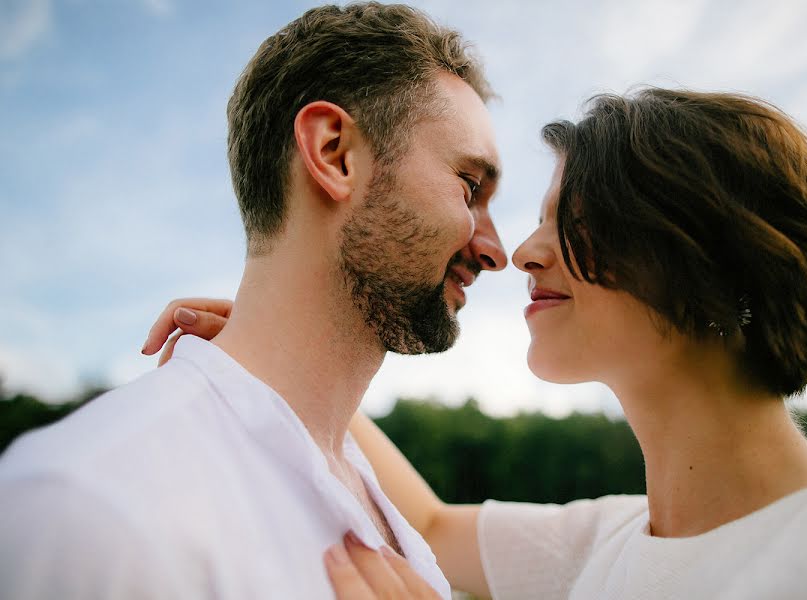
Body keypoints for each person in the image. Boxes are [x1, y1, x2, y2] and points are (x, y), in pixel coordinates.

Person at [156, 89, 807, 599]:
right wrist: (274, 352)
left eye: (573, 219)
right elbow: (432, 525)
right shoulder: (602, 544)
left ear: (707, 255)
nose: (522, 253)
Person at [0, 4, 506, 599]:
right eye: (470, 188)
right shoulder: (87, 508)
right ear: (336, 153)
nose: (495, 250)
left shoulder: (367, 489)